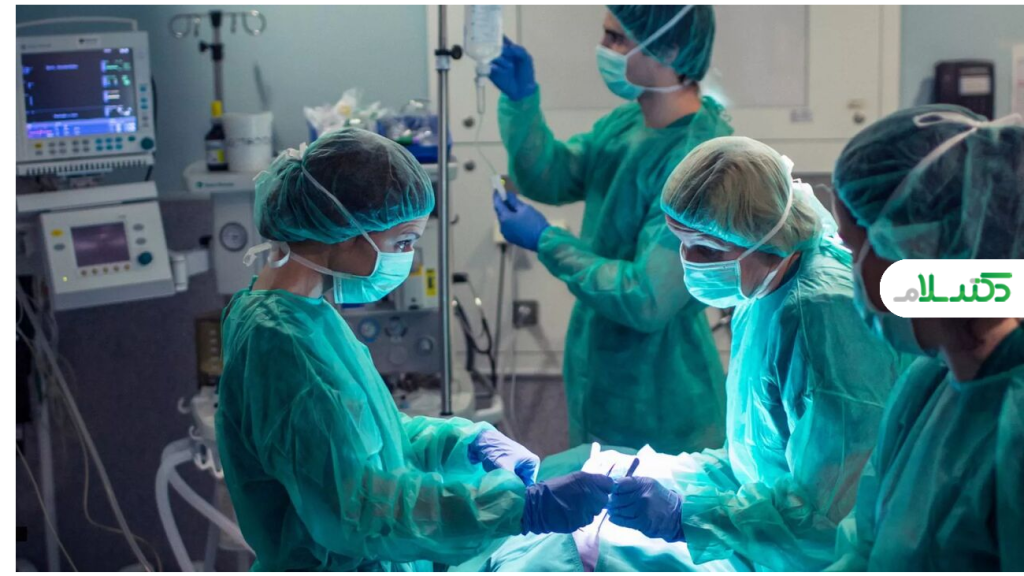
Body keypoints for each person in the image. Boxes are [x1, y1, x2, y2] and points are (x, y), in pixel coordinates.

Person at [215, 129, 614, 573]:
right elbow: (359, 510)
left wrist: (460, 443)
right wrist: (519, 509)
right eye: (403, 243)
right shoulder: (283, 342)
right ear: (345, 232)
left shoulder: (303, 313)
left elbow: (360, 435)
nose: (406, 259)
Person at [607, 136, 907, 572]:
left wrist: (685, 517)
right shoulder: (762, 292)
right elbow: (756, 457)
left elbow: (832, 516)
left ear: (766, 235)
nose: (689, 259)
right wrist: (664, 473)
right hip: (773, 550)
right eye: (681, 242)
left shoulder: (821, 312)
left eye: (707, 249)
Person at [489, 4, 730, 454]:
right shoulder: (626, 125)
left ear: (670, 48)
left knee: (653, 495)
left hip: (663, 395)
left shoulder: (700, 160)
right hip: (599, 369)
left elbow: (648, 298)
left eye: (617, 38)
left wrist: (547, 241)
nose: (602, 49)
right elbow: (553, 176)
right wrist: (522, 103)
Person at [826, 105, 1023, 572]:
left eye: (853, 250)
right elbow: (871, 549)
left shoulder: (1014, 426)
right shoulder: (928, 382)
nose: (849, 271)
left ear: (916, 253)